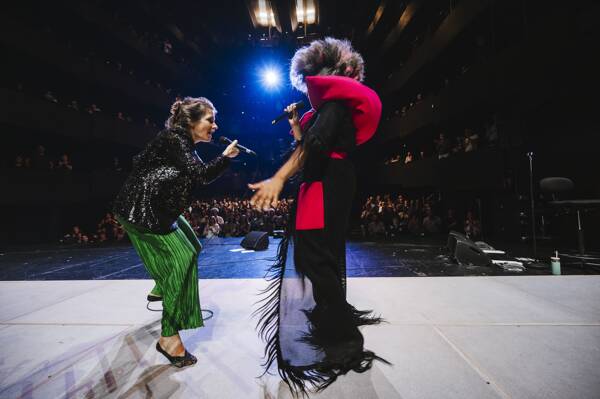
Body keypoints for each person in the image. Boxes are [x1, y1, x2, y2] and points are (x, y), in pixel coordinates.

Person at [249, 37, 387, 394]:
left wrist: (279, 177)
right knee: (319, 256)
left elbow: (315, 147)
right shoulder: (330, 110)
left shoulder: (335, 106)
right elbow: (309, 142)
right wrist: (297, 126)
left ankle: (342, 339)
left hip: (326, 184)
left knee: (316, 257)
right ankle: (333, 316)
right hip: (328, 183)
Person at [113, 97, 239, 368]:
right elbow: (200, 176)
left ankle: (162, 284)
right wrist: (226, 157)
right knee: (181, 261)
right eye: (209, 120)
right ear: (190, 122)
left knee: (193, 246)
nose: (215, 126)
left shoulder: (181, 144)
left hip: (158, 210)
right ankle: (169, 338)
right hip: (144, 212)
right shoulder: (174, 139)